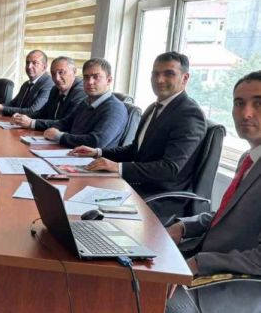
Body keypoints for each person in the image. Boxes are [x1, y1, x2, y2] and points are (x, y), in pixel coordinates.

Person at [165, 71, 261, 313]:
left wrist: (199, 263)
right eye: (239, 103)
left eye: (258, 103)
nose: (246, 113)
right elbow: (226, 215)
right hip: (204, 260)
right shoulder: (249, 158)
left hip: (229, 287)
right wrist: (184, 227)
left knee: (142, 295)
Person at [71, 52, 206, 220]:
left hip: (158, 198)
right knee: (75, 195)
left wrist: (118, 167)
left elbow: (169, 169)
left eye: (169, 74)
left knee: (82, 212)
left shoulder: (189, 114)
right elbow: (135, 150)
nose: (159, 80)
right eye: (155, 74)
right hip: (135, 187)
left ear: (185, 78)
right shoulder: (153, 108)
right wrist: (98, 152)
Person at [43, 58, 128, 148]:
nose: (90, 82)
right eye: (86, 77)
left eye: (96, 77)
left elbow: (96, 141)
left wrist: (59, 136)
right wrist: (51, 130)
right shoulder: (86, 102)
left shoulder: (115, 109)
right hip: (70, 151)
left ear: (109, 80)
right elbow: (65, 123)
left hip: (91, 156)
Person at [12, 56, 86, 129]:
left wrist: (32, 123)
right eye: (53, 74)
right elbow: (43, 113)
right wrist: (21, 117)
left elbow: (66, 123)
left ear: (74, 71)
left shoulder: (81, 92)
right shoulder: (55, 89)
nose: (57, 78)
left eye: (61, 72)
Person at [0, 49, 53, 117]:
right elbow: (13, 104)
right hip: (16, 121)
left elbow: (33, 111)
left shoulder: (48, 84)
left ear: (44, 67)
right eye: (27, 62)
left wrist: (2, 108)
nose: (29, 66)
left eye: (35, 63)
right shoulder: (26, 84)